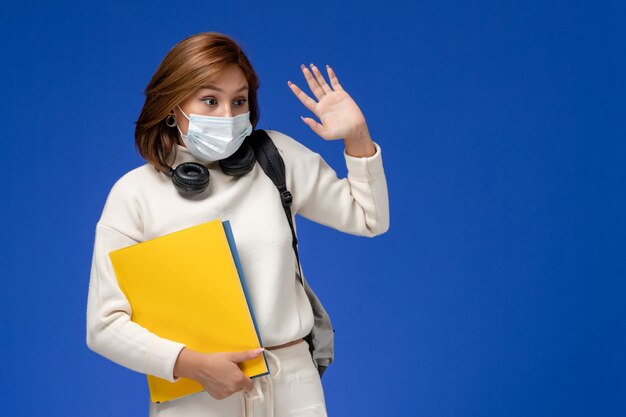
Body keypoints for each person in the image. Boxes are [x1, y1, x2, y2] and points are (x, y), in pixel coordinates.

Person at [86, 32, 389, 417]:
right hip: (197, 395)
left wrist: (357, 137)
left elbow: (370, 218)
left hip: (294, 385)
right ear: (172, 105)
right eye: (210, 100)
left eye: (239, 101)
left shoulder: (276, 159)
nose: (228, 116)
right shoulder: (135, 194)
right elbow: (104, 326)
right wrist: (191, 364)